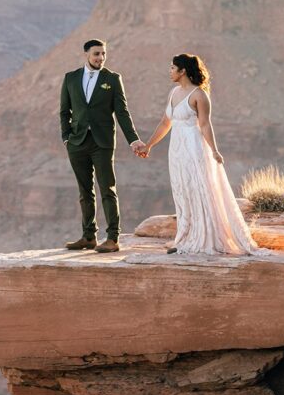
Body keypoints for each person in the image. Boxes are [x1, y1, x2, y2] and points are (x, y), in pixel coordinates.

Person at [142, 53, 267, 256]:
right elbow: (166, 123)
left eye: (173, 68)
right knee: (182, 190)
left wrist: (214, 151)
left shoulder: (199, 95)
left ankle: (203, 237)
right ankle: (184, 237)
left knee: (198, 189)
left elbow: (205, 125)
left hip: (194, 148)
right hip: (176, 150)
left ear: (183, 71)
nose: (170, 71)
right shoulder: (173, 93)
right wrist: (149, 145)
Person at [60, 39, 147, 252]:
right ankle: (88, 236)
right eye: (96, 54)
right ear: (86, 54)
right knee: (85, 191)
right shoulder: (71, 78)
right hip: (77, 142)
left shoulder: (112, 79)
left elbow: (122, 112)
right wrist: (66, 137)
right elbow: (64, 111)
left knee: (107, 188)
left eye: (103, 54)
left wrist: (133, 139)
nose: (101, 58)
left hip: (103, 143)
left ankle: (112, 238)